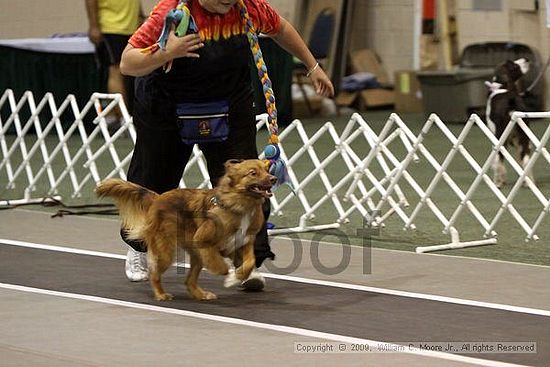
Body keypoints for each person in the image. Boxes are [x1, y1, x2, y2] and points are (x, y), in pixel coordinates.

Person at [118, 0, 334, 289]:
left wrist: (312, 66)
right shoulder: (171, 13)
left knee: (248, 183)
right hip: (166, 104)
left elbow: (281, 28)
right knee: (152, 179)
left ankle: (247, 263)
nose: (226, 3)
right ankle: (138, 249)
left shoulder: (249, 7)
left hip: (228, 102)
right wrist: (167, 52)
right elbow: (127, 62)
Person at [85, 0, 144, 121]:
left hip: (131, 28)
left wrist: (140, 16)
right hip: (111, 28)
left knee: (129, 72)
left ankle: (114, 115)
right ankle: (123, 118)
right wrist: (94, 25)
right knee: (115, 71)